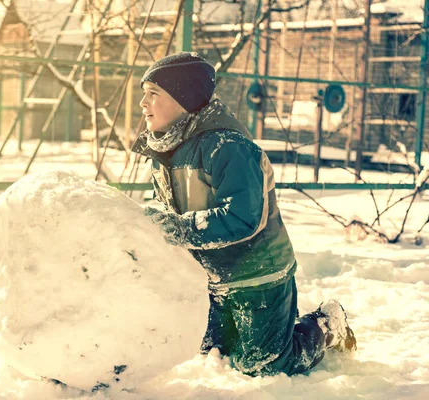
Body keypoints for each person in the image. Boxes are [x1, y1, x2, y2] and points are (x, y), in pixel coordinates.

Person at [132, 52, 356, 377]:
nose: (143, 102)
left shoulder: (228, 148)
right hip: (211, 278)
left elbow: (242, 217)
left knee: (262, 367)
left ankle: (325, 324)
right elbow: (170, 216)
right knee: (210, 355)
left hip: (258, 274)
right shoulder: (164, 154)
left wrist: (177, 229)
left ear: (184, 100)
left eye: (154, 93)